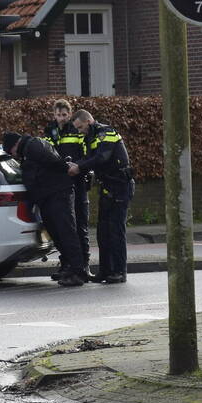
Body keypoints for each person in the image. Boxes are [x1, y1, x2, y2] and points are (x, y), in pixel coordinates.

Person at [2, 131, 85, 287]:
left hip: (58, 194)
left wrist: (64, 170)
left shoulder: (33, 146)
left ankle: (78, 272)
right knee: (58, 234)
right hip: (49, 196)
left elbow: (53, 161)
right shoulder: (29, 149)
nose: (13, 155)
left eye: (11, 151)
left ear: (15, 145)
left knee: (66, 233)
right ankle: (69, 268)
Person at [68, 109, 134, 284]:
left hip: (120, 187)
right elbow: (88, 157)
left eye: (80, 127)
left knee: (116, 231)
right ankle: (105, 272)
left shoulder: (107, 132)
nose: (79, 131)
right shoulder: (89, 137)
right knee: (103, 232)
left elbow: (102, 157)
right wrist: (76, 164)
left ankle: (120, 272)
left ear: (89, 121)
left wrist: (79, 167)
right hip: (106, 187)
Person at [41, 99, 91, 279]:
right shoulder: (50, 130)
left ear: (70, 114)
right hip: (59, 184)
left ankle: (84, 265)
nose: (61, 118)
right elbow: (46, 153)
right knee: (63, 227)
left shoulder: (76, 130)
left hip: (77, 181)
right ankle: (67, 264)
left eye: (64, 115)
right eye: (58, 115)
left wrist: (77, 166)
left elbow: (86, 152)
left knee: (80, 225)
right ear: (53, 114)